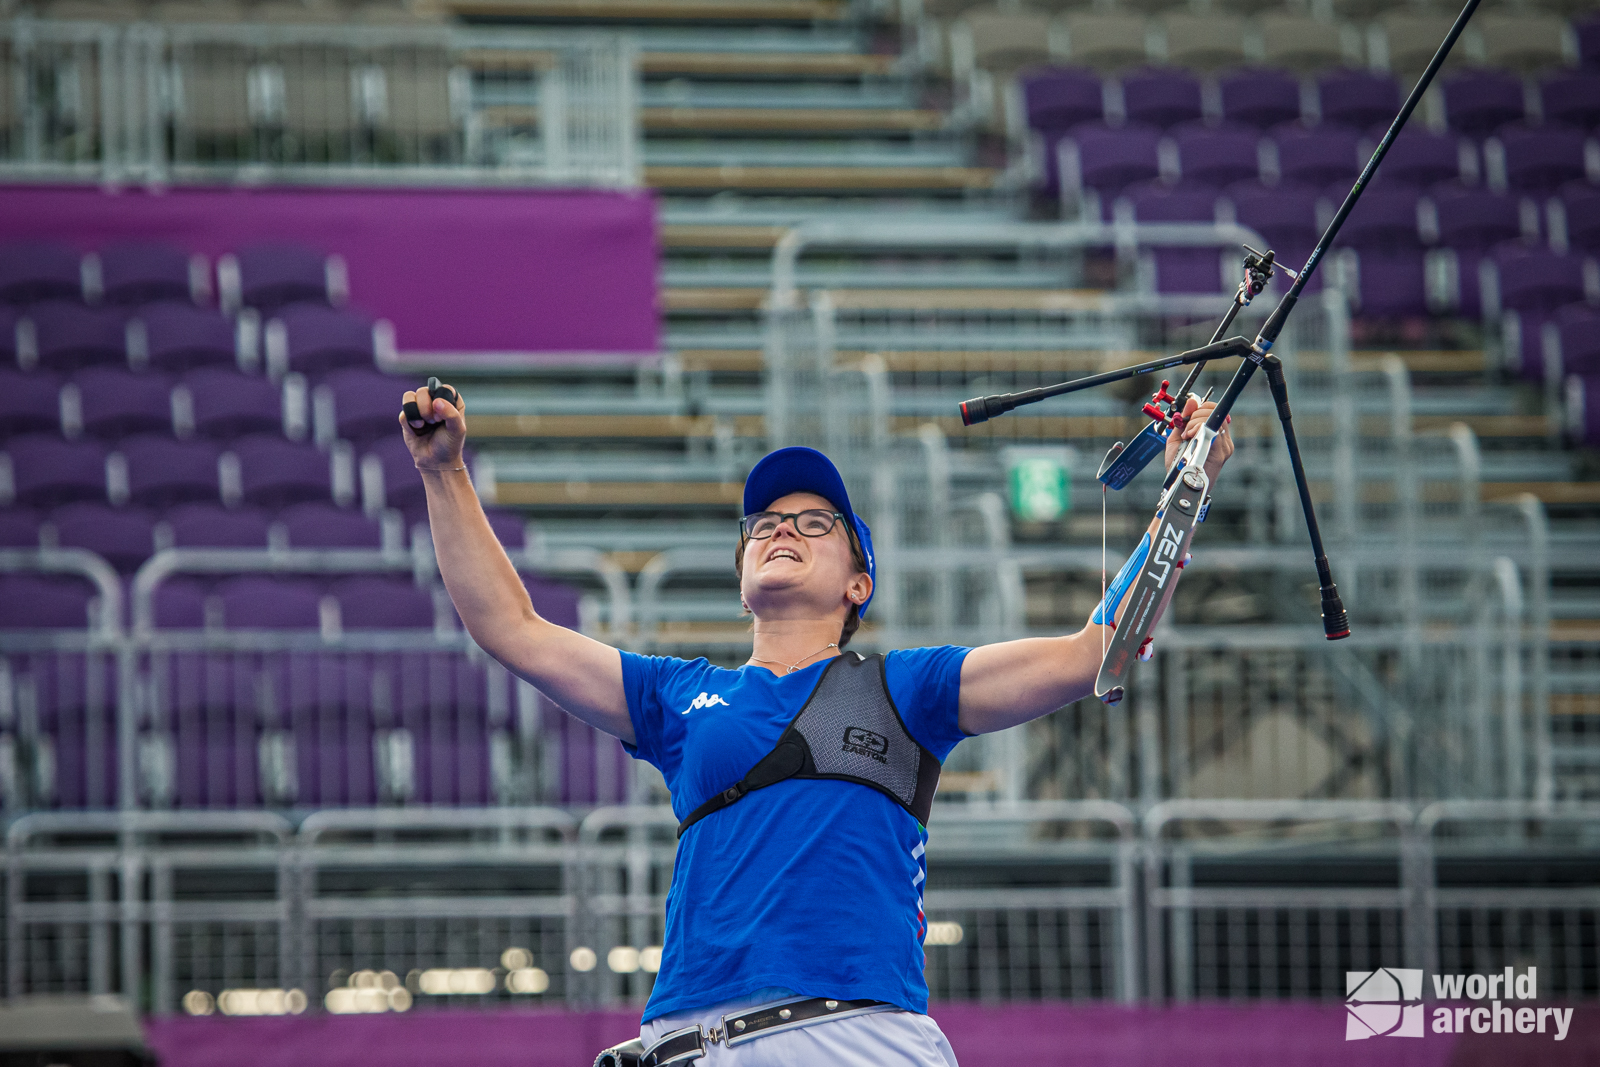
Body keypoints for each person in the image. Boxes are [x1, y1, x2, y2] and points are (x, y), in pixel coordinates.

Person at [400, 381, 1232, 1066]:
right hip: (687, 1043)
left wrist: (1185, 491)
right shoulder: (675, 696)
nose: (780, 530)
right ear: (741, 576)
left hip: (852, 1040)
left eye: (813, 521)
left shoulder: (910, 685)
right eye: (762, 523)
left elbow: (1097, 649)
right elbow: (510, 627)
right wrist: (446, 475)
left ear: (857, 583)